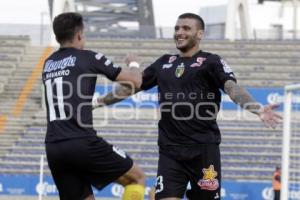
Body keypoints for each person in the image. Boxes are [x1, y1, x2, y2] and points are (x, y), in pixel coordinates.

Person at [94, 13, 282, 200]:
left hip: (203, 151)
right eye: (177, 28)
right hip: (170, 151)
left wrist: (256, 108)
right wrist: (96, 103)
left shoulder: (212, 62)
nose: (179, 32)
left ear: (200, 34)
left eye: (186, 28)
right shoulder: (163, 63)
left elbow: (232, 88)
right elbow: (131, 88)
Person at [42, 12, 146, 200]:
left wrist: (96, 102)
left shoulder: (48, 63)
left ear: (57, 36)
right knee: (136, 178)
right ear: (80, 35)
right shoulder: (88, 57)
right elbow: (135, 81)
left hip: (54, 147)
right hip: (81, 141)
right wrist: (134, 63)